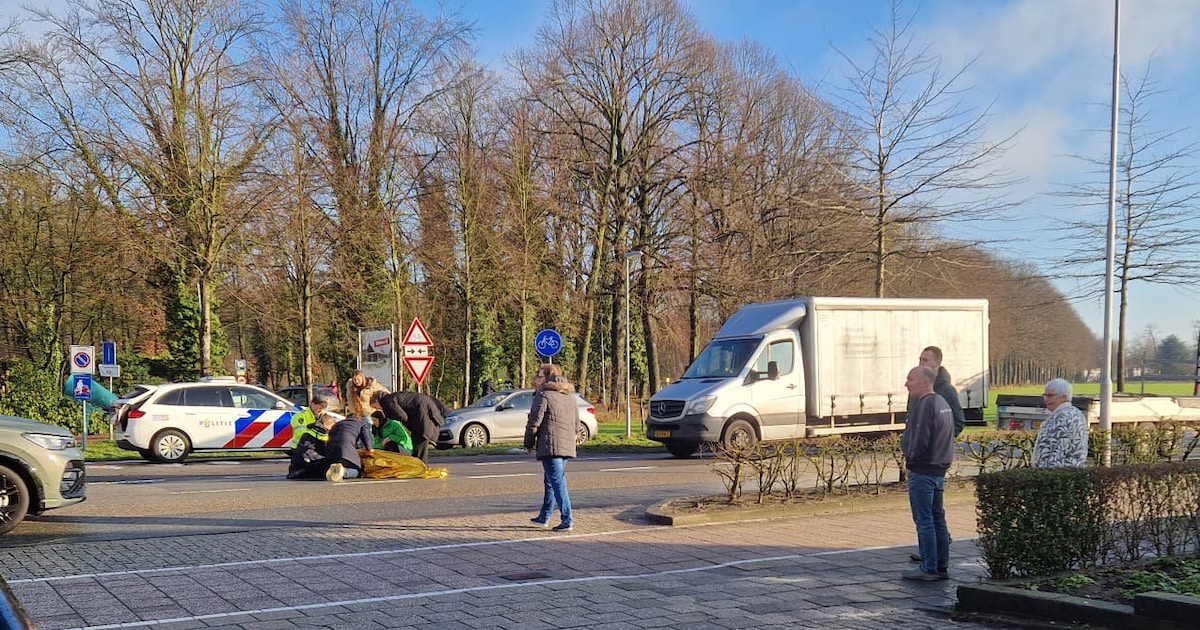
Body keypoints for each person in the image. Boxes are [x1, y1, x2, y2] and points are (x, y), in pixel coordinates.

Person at [901, 365, 955, 582]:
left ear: (924, 382)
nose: (906, 383)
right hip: (939, 469)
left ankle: (928, 567)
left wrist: (911, 461)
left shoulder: (925, 405)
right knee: (938, 519)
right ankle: (941, 565)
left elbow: (920, 439)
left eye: (910, 379)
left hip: (923, 471)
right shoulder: (943, 403)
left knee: (925, 521)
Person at [524, 364, 578, 532]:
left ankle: (567, 519)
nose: (537, 379)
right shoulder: (569, 396)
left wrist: (528, 443)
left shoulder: (544, 395)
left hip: (551, 445)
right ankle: (544, 516)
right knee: (551, 480)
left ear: (547, 378)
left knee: (557, 482)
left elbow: (534, 423)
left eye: (540, 377)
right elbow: (576, 424)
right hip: (567, 445)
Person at [370, 390, 446, 463]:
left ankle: (420, 466)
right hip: (422, 409)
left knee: (419, 439)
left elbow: (402, 416)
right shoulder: (390, 398)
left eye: (375, 407)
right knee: (419, 439)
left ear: (377, 401)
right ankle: (419, 465)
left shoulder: (386, 402)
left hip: (420, 412)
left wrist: (408, 425)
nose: (377, 409)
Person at [1033, 378, 1089, 468]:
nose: (1046, 399)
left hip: (1058, 476)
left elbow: (1056, 454)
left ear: (1064, 397)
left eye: (1050, 395)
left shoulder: (1063, 417)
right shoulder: (1074, 413)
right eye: (1045, 395)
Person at [324, 413, 374, 482]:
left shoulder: (337, 424)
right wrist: (370, 449)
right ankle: (343, 471)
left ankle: (331, 471)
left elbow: (329, 437)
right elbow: (367, 439)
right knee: (357, 471)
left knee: (336, 463)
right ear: (358, 418)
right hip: (346, 451)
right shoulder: (361, 423)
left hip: (331, 452)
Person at [287, 413, 338, 479]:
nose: (332, 430)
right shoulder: (317, 434)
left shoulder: (315, 431)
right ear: (327, 424)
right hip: (302, 468)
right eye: (332, 427)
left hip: (298, 467)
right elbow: (310, 453)